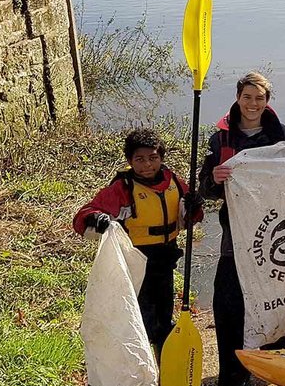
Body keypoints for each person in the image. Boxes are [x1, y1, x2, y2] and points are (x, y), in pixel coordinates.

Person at [198, 72, 285, 386]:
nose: (253, 104)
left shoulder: (280, 134)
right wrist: (215, 179)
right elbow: (204, 188)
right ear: (238, 97)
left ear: (267, 101)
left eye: (259, 98)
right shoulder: (220, 138)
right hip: (236, 232)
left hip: (276, 230)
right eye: (248, 97)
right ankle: (233, 376)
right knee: (229, 300)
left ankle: (274, 358)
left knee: (279, 290)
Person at [73, 128, 204, 361]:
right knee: (142, 317)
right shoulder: (123, 188)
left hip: (165, 257)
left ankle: (166, 364)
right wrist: (97, 219)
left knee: (164, 316)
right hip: (135, 260)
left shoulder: (174, 181)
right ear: (130, 161)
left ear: (161, 158)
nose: (147, 165)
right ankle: (141, 366)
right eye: (139, 160)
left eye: (153, 158)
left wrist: (194, 205)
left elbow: (189, 218)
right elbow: (83, 217)